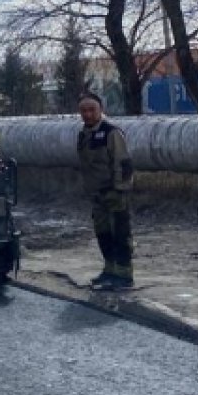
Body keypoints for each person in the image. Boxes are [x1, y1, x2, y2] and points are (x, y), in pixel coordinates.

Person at [77, 92, 135, 290]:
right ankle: (110, 270)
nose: (88, 114)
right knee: (103, 233)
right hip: (97, 194)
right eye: (84, 111)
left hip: (114, 193)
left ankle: (124, 274)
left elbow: (124, 163)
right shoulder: (84, 135)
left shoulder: (112, 133)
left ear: (101, 110)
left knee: (120, 233)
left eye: (92, 110)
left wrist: (120, 190)